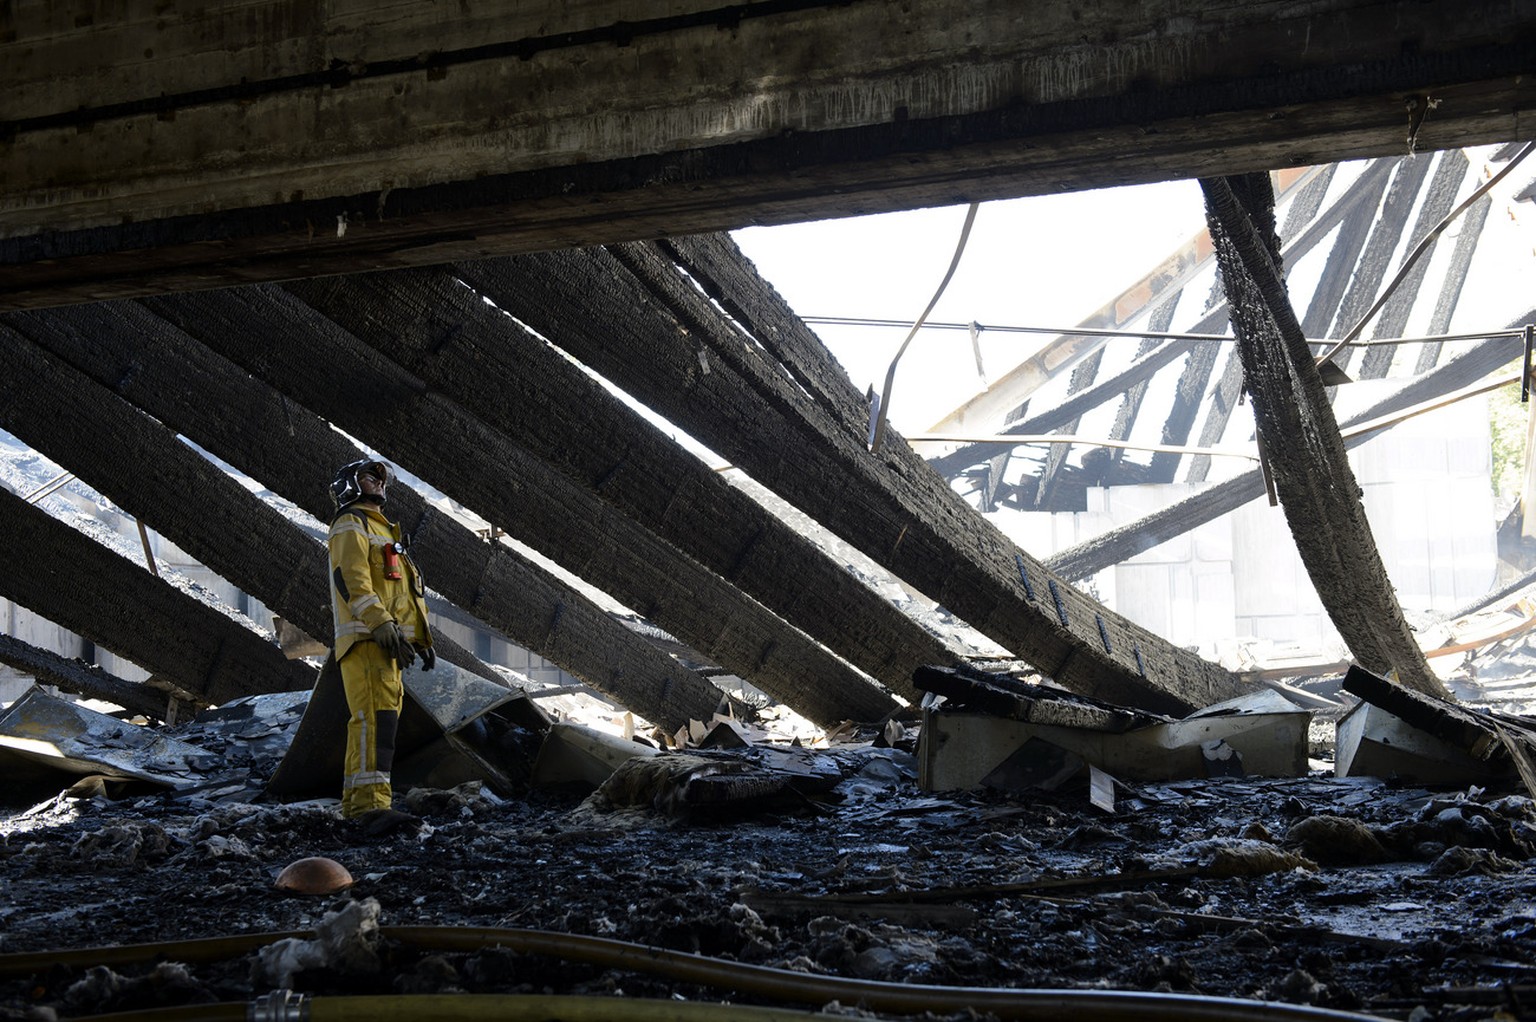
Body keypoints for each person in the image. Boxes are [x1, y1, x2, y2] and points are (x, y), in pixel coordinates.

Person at [327, 459, 435, 831]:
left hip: (385, 644)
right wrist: (380, 624)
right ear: (348, 487)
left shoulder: (383, 532)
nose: (377, 481)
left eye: (379, 476)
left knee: (373, 723)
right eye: (368, 476)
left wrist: (419, 638)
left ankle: (358, 806)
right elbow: (352, 580)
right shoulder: (350, 524)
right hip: (368, 640)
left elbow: (402, 593)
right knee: (375, 722)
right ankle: (372, 808)